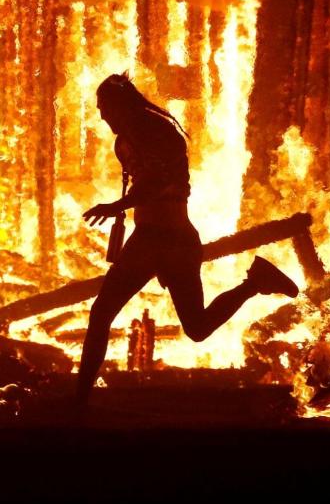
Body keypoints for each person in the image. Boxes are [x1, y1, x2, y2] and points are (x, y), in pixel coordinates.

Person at [76, 73, 299, 406]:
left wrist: (117, 206)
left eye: (105, 107)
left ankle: (79, 400)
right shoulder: (134, 133)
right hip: (166, 238)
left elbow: (157, 182)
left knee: (106, 313)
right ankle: (255, 283)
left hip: (160, 239)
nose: (103, 116)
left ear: (120, 105)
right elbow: (151, 182)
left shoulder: (149, 129)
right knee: (193, 326)